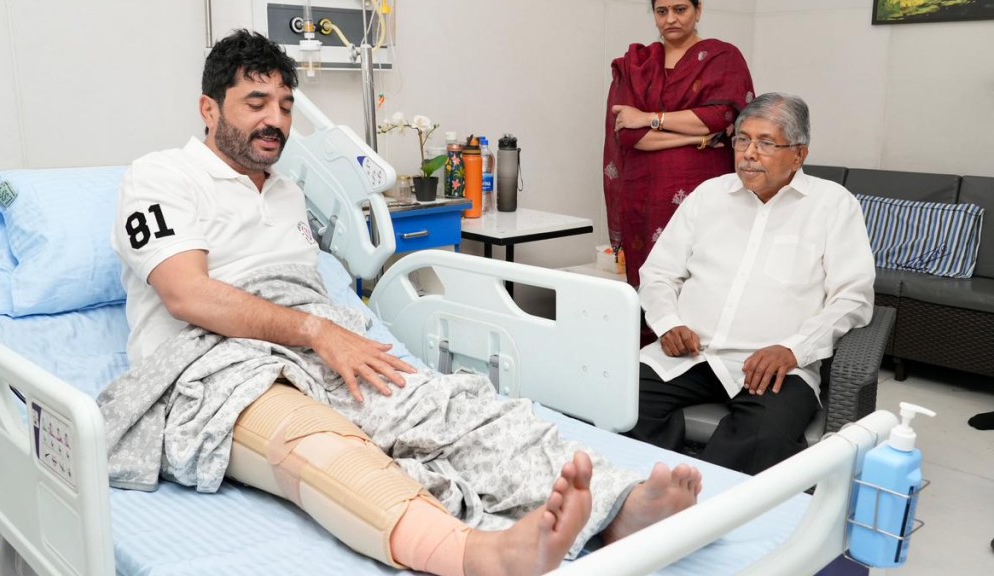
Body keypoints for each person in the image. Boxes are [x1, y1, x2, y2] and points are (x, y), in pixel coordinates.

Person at [101, 30, 702, 576]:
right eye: (255, 103)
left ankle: (619, 504)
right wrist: (317, 332)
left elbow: (306, 291)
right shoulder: (162, 176)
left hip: (314, 345)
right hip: (214, 365)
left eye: (284, 105)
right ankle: (479, 554)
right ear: (209, 109)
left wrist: (330, 332)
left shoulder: (287, 193)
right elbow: (186, 293)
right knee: (316, 441)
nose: (275, 120)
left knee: (451, 406)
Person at [626, 92, 876, 475]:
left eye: (766, 143)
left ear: (799, 155)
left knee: (763, 438)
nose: (749, 153)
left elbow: (853, 297)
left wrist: (793, 349)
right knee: (621, 403)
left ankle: (711, 508)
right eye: (742, 140)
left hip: (777, 367)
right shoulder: (708, 196)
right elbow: (658, 273)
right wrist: (668, 323)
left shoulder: (833, 205)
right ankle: (646, 495)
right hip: (691, 354)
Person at [603, 0, 754, 288]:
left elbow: (719, 118)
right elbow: (630, 135)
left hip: (704, 190)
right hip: (644, 195)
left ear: (699, 11)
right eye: (662, 11)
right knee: (652, 284)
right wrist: (698, 138)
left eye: (680, 9)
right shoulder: (637, 65)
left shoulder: (723, 58)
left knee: (704, 279)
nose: (670, 18)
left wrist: (648, 118)